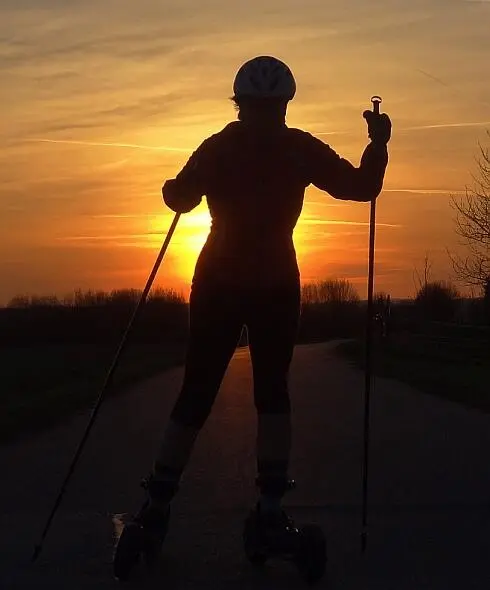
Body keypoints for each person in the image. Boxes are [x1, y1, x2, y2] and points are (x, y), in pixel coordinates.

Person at [115, 55, 391, 570]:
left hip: (219, 278)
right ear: (283, 104)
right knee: (272, 393)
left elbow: (182, 196)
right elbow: (361, 188)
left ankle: (156, 507)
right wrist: (377, 144)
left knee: (196, 392)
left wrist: (171, 193)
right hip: (274, 282)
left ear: (239, 103)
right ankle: (268, 512)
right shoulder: (298, 147)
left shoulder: (219, 145)